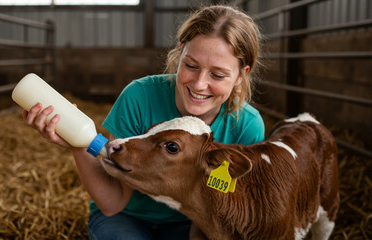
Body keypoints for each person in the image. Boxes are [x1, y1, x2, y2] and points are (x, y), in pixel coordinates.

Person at [23, 4, 265, 240]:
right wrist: (77, 145)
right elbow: (113, 204)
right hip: (125, 218)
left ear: (241, 74)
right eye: (191, 65)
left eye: (218, 74)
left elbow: (225, 211)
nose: (200, 84)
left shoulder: (246, 127)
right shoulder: (139, 96)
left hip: (191, 224)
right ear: (179, 52)